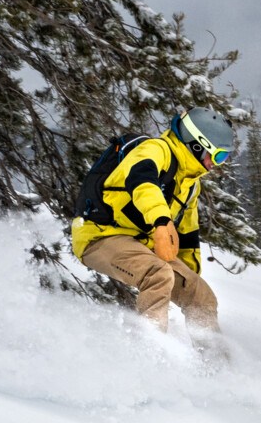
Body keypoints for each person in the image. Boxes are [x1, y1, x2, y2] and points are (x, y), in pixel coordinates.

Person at [70, 107, 234, 336]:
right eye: (218, 156)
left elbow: (187, 235)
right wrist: (160, 219)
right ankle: (151, 356)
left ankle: (215, 365)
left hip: (141, 244)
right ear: (197, 145)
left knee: (200, 294)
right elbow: (141, 182)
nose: (217, 164)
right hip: (100, 235)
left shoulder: (190, 184)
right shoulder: (155, 150)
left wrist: (189, 279)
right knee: (158, 274)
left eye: (223, 158)